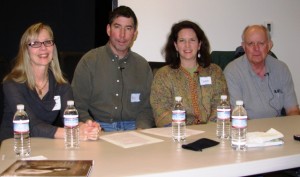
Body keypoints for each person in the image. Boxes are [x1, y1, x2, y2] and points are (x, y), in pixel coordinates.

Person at [0, 23, 100, 142]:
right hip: (15, 146)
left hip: (44, 144)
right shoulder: (12, 84)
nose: (43, 48)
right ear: (26, 50)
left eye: (47, 42)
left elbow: (69, 120)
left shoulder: (62, 86)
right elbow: (32, 126)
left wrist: (85, 127)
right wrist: (73, 133)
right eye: (35, 43)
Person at [72, 6, 154, 131]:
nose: (122, 35)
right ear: (108, 30)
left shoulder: (143, 66)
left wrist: (141, 129)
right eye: (117, 27)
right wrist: (91, 127)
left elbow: (147, 108)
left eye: (128, 28)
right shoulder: (89, 61)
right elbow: (77, 105)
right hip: (98, 127)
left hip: (135, 128)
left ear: (135, 34)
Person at [150, 20, 228, 127]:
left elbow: (220, 104)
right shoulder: (163, 75)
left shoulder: (214, 72)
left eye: (192, 40)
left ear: (199, 44)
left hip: (211, 132)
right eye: (182, 40)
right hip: (177, 134)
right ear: (176, 46)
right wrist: (183, 131)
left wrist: (209, 130)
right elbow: (161, 111)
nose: (187, 45)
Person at [224, 25, 300, 119]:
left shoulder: (282, 69)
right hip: (248, 128)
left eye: (261, 43)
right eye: (251, 43)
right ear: (244, 47)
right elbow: (238, 114)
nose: (256, 49)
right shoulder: (232, 71)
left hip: (278, 129)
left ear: (269, 45)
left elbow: (293, 110)